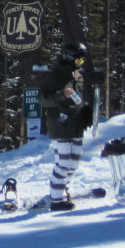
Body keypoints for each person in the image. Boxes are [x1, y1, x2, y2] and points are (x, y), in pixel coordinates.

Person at [39, 43, 94, 211]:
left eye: (83, 59)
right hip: (61, 125)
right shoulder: (58, 74)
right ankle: (56, 200)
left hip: (76, 125)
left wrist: (86, 112)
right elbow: (42, 99)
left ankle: (63, 190)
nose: (81, 62)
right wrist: (60, 95)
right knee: (63, 162)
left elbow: (77, 99)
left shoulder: (77, 75)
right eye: (78, 58)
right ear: (69, 58)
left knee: (74, 163)